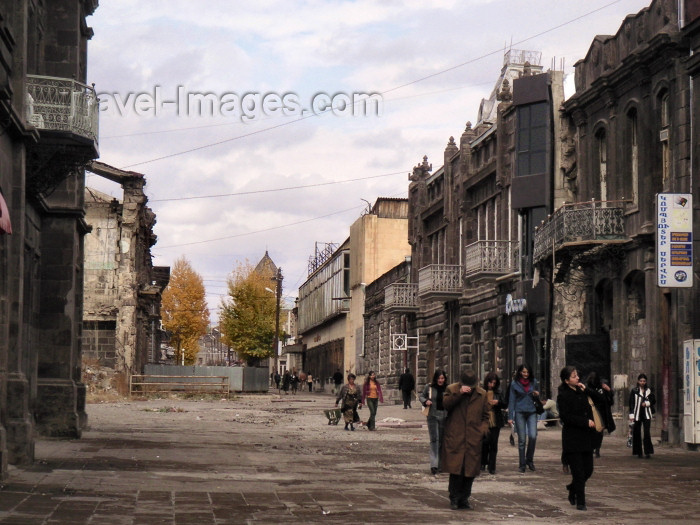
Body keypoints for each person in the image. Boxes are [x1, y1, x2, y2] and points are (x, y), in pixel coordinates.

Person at [557, 365, 605, 511]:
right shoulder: (563, 395)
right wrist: (584, 422)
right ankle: (581, 502)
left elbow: (601, 400)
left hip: (586, 437)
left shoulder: (583, 391)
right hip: (572, 438)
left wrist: (587, 389)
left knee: (588, 470)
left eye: (577, 375)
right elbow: (565, 417)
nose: (577, 378)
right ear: (566, 380)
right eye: (573, 376)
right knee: (578, 471)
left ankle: (572, 488)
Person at [441, 369, 489, 511]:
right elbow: (446, 405)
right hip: (456, 435)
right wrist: (459, 393)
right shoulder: (452, 389)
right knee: (456, 470)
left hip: (473, 437)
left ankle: (465, 498)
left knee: (470, 471)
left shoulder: (482, 394)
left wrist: (482, 430)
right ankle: (454, 498)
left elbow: (486, 415)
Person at [507, 364, 540, 473]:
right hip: (519, 411)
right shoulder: (514, 383)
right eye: (523, 372)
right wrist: (510, 417)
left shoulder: (533, 381)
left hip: (531, 411)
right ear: (520, 372)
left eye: (527, 372)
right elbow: (511, 400)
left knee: (533, 436)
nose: (525, 374)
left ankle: (529, 460)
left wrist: (536, 394)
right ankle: (522, 464)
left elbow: (538, 397)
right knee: (521, 440)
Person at [419, 370, 448, 475]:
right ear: (436, 379)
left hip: (444, 416)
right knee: (434, 439)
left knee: (442, 441)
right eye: (439, 378)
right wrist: (425, 401)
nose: (441, 380)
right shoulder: (429, 387)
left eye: (442, 378)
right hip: (432, 416)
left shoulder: (448, 389)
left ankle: (440, 465)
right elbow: (421, 396)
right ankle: (434, 465)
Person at [481, 372, 507, 475]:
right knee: (484, 442)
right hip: (484, 418)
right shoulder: (482, 391)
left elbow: (505, 404)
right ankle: (483, 462)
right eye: (490, 383)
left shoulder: (500, 392)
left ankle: (492, 466)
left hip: (496, 419)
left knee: (494, 442)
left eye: (494, 383)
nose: (491, 385)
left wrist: (498, 403)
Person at [585, 371, 615, 457]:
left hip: (601, 412)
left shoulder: (601, 387)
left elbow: (609, 398)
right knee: (594, 431)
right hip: (592, 411)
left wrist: (609, 390)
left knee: (599, 430)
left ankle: (596, 448)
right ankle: (595, 448)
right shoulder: (588, 388)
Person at [629, 373, 656, 459]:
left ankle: (648, 452)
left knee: (647, 433)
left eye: (644, 381)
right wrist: (631, 414)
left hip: (647, 414)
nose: (642, 382)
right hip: (637, 414)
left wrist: (647, 403)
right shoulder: (634, 391)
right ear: (638, 381)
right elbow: (631, 403)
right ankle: (638, 452)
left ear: (646, 381)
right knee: (637, 433)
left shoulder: (649, 390)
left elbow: (653, 400)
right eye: (641, 381)